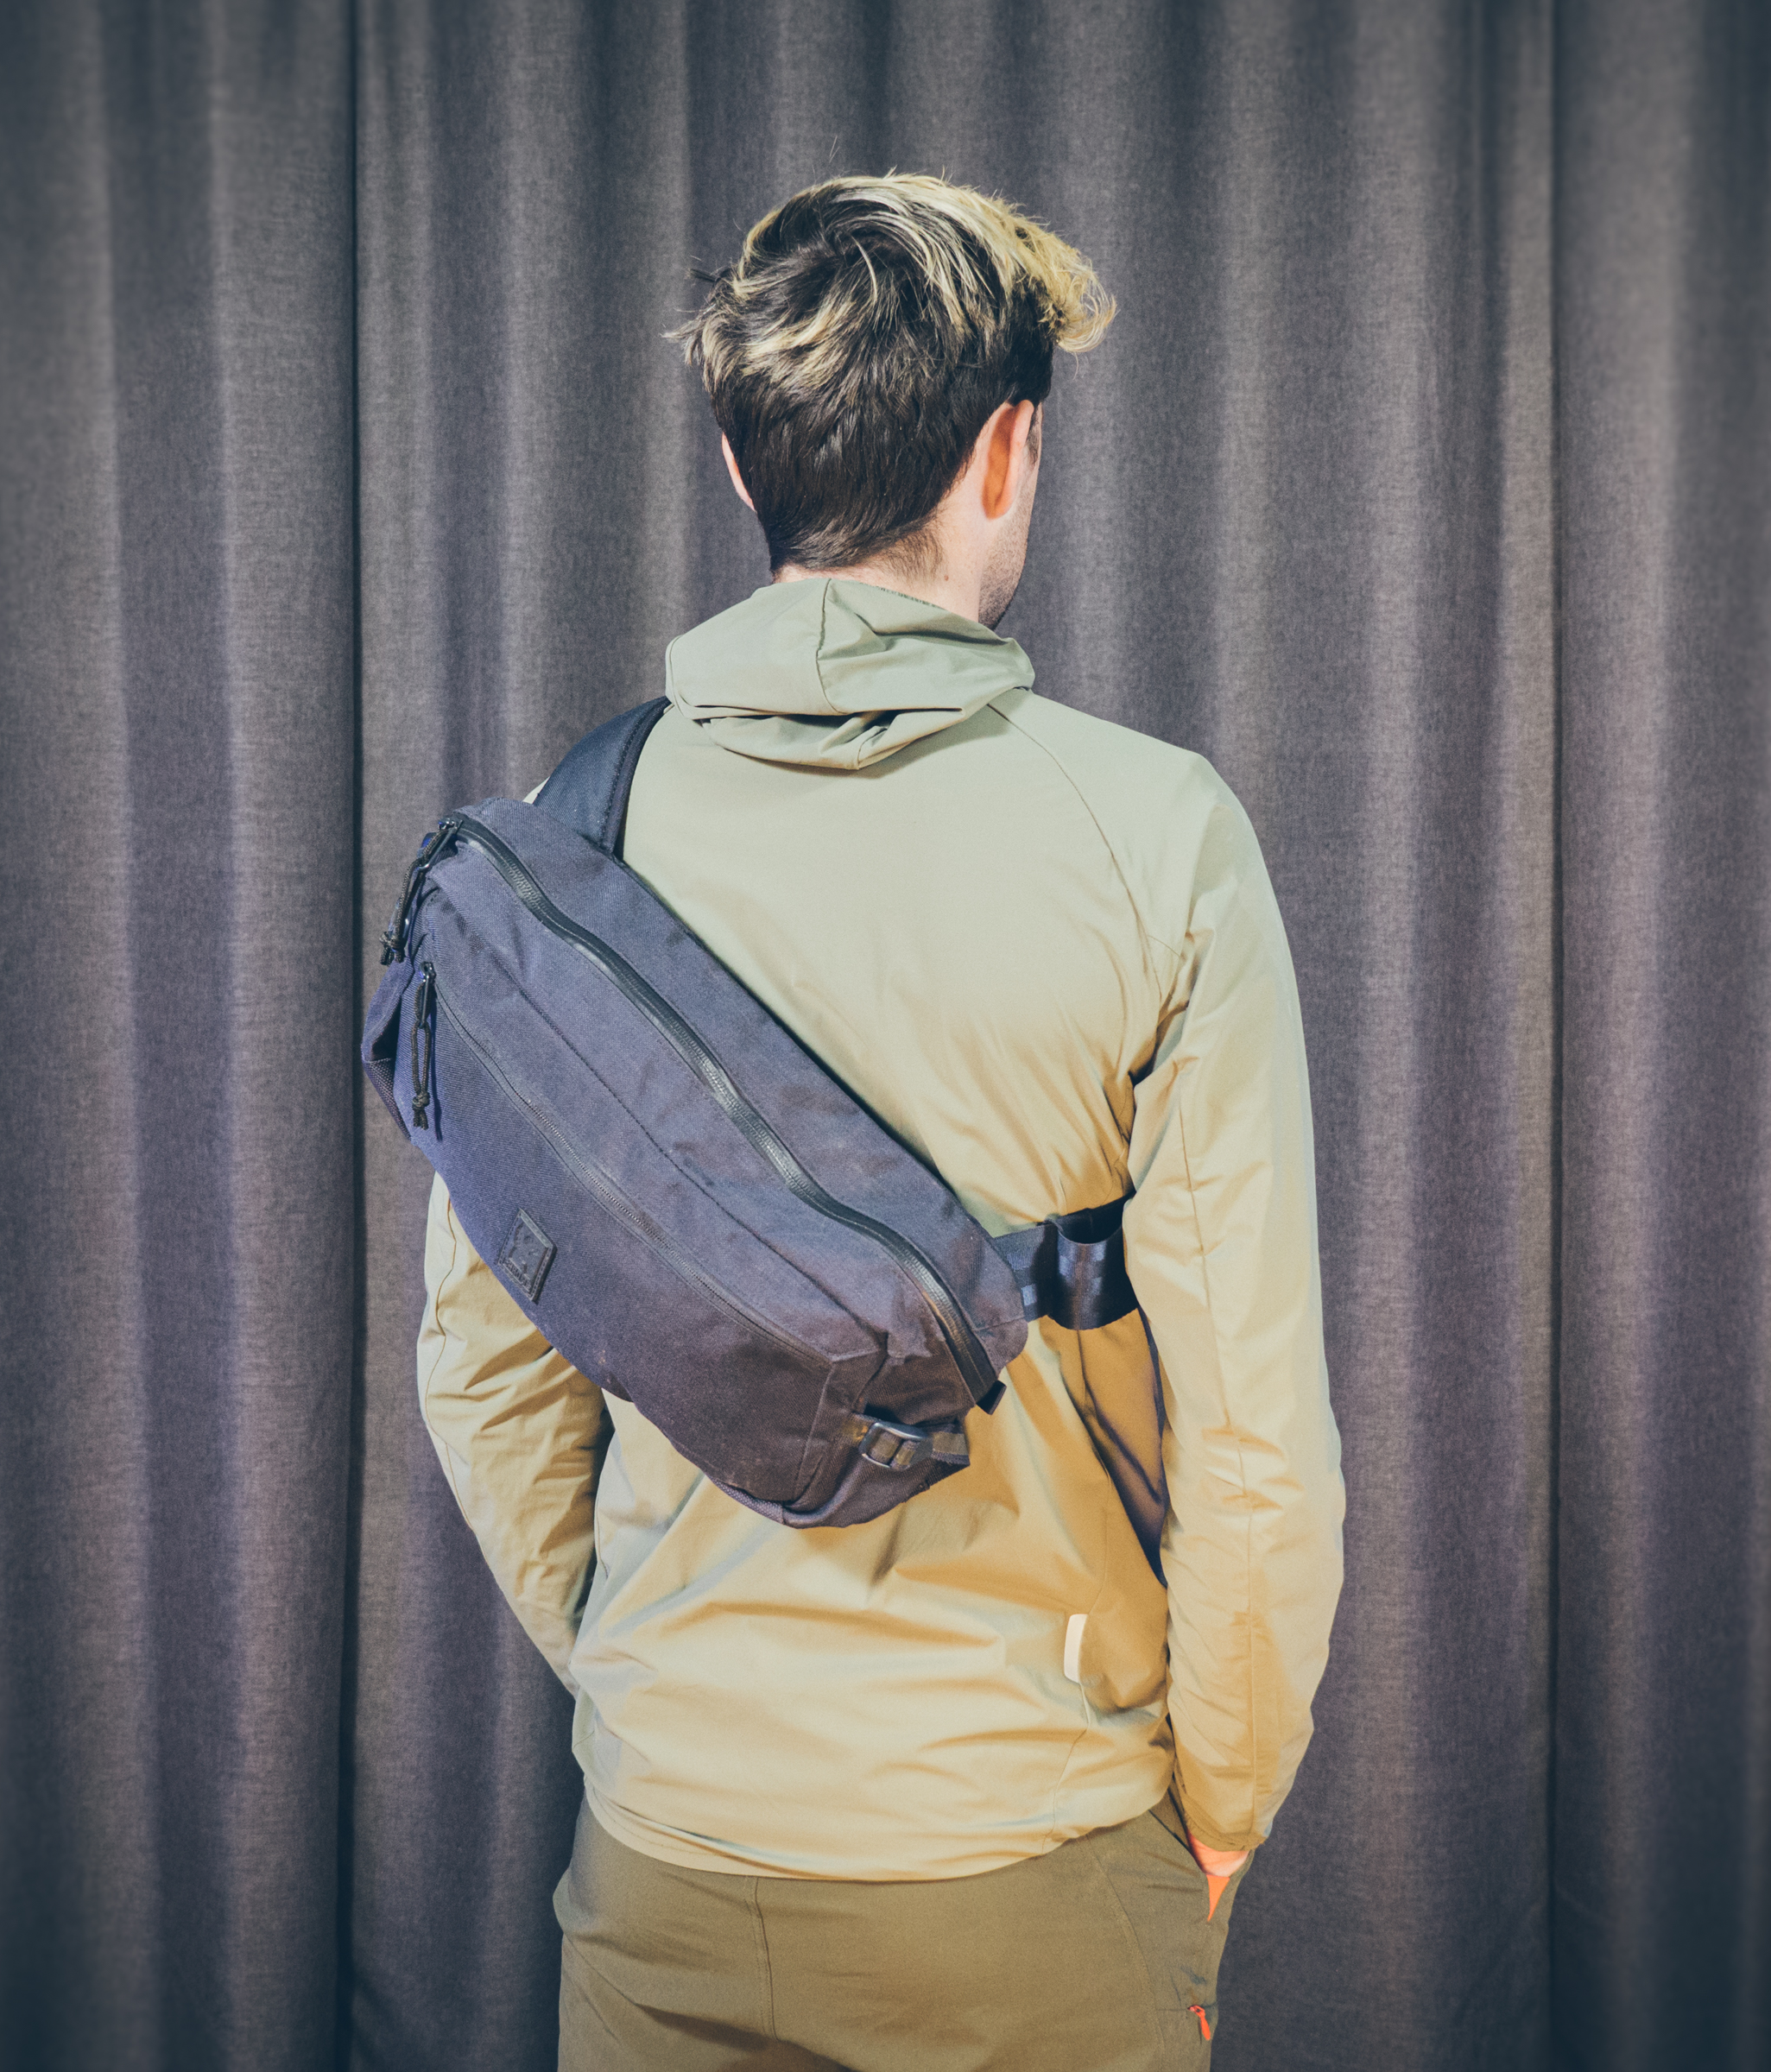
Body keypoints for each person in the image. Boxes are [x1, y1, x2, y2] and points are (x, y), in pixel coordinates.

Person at [415, 172, 1346, 2070]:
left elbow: (482, 1371)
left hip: (667, 1880)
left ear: (746, 468)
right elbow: (1253, 1443)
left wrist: (648, 1680)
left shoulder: (570, 828)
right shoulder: (1154, 840)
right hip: (1032, 1871)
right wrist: (1224, 1802)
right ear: (1007, 452)